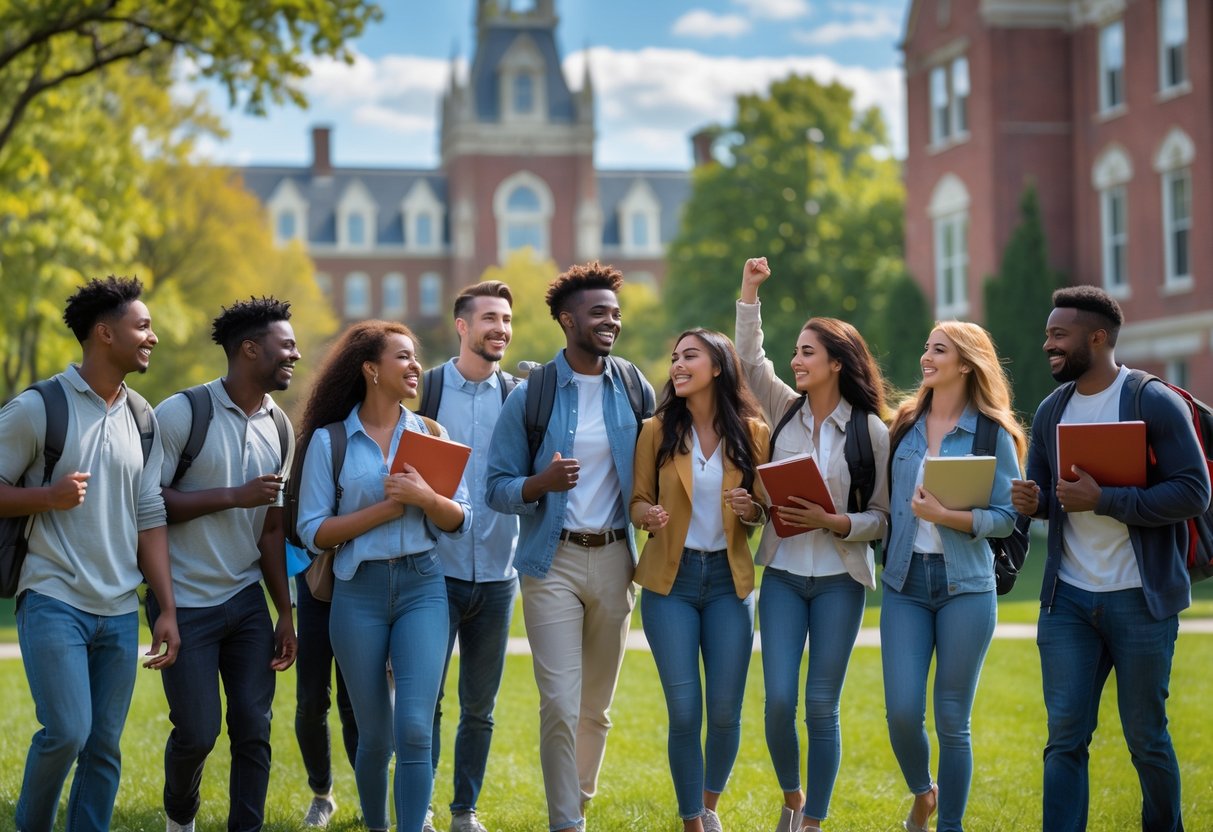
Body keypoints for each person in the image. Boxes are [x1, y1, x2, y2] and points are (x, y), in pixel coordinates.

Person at [1010, 286, 1209, 832]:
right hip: (1068, 602)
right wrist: (1036, 501)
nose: (1047, 344)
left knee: (1147, 739)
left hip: (1141, 601)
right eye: (1048, 333)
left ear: (1097, 338)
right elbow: (1055, 498)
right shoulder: (1052, 411)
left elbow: (1194, 493)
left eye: (1059, 335)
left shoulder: (1152, 400)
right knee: (1065, 739)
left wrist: (1107, 500)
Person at [0, 275, 180, 832]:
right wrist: (46, 497)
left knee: (103, 748)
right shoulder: (39, 406)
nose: (153, 336)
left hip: (120, 609)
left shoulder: (142, 418)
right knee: (68, 732)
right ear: (104, 333)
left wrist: (166, 609)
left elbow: (149, 517)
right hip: (54, 596)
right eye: (142, 326)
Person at [485, 261, 655, 832]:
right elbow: (496, 487)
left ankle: (577, 798)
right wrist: (540, 484)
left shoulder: (633, 386)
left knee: (594, 710)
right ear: (567, 319)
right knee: (558, 702)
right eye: (598, 312)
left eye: (615, 312)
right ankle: (567, 823)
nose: (611, 320)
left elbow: (660, 467)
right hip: (549, 561)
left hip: (614, 560)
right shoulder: (531, 396)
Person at [295, 321, 472, 832]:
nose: (416, 365)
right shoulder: (329, 443)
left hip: (423, 588)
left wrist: (427, 501)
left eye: (415, 356)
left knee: (415, 728)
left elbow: (462, 518)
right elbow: (313, 531)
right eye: (403, 357)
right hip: (358, 594)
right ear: (371, 369)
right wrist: (387, 511)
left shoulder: (432, 435)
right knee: (375, 736)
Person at [735, 257, 891, 832]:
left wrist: (836, 521)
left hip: (839, 583)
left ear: (836, 363)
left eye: (807, 352)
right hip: (782, 574)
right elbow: (750, 361)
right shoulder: (783, 412)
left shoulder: (872, 432)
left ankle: (814, 822)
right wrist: (749, 292)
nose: (797, 361)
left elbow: (883, 517)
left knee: (821, 706)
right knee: (779, 702)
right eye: (796, 351)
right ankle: (793, 796)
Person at [152, 297, 301, 832]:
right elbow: (150, 505)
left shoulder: (280, 426)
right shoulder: (183, 413)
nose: (296, 355)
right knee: (196, 732)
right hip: (185, 600)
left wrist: (284, 611)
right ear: (249, 349)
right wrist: (234, 495)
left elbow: (272, 528)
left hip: (245, 601)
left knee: (253, 729)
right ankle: (180, 816)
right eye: (286, 346)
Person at [882, 320, 1023, 832]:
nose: (926, 357)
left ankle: (951, 827)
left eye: (938, 350)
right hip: (906, 584)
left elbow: (1007, 518)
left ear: (965, 363)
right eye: (926, 348)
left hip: (967, 586)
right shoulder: (903, 424)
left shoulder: (992, 433)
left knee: (952, 721)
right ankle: (924, 791)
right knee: (900, 712)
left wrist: (949, 518)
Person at [631, 328, 770, 832]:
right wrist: (650, 516)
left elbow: (762, 510)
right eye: (674, 358)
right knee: (686, 710)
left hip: (729, 584)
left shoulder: (753, 433)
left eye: (690, 355)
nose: (678, 364)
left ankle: (708, 805)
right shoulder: (656, 430)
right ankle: (693, 821)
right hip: (672, 584)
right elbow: (637, 501)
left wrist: (749, 507)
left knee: (727, 711)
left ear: (718, 366)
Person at [425, 281, 520, 832]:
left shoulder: (518, 395)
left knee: (479, 708)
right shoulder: (430, 389)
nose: (499, 329)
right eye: (488, 318)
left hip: (499, 574)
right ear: (462, 326)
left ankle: (464, 811)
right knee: (425, 701)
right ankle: (424, 806)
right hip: (434, 572)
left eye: (506, 319)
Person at [293, 566, 358, 828]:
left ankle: (371, 795)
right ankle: (322, 795)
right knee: (311, 701)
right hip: (313, 576)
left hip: (363, 582)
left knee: (356, 704)